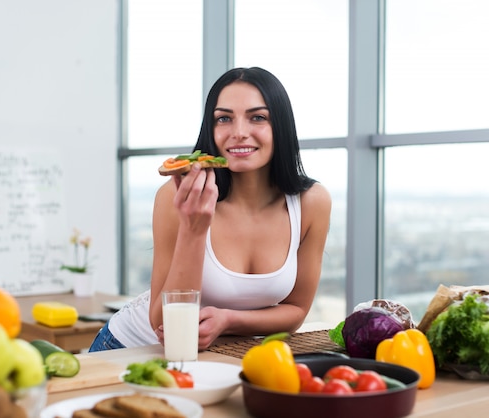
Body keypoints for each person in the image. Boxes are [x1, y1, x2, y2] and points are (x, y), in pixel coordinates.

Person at [89, 67, 332, 352]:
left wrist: (228, 320)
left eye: (257, 117)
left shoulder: (311, 202)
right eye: (224, 118)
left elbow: (296, 311)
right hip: (134, 347)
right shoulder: (178, 194)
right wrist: (194, 228)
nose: (239, 133)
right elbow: (161, 323)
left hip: (222, 354)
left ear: (281, 125)